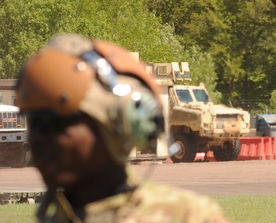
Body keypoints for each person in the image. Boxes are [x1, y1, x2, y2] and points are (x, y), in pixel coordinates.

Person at [17, 33, 230, 222]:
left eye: (55, 124)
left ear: (122, 123)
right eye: (33, 123)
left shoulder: (188, 217)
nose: (36, 138)